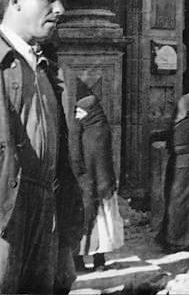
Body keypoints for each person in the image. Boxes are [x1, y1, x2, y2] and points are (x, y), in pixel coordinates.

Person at [0, 0, 83, 294]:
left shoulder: (48, 67)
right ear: (16, 0)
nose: (60, 9)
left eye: (61, 0)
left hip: (47, 211)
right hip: (7, 215)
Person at [72, 84, 124, 271]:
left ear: (91, 113)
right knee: (88, 223)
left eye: (81, 112)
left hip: (96, 188)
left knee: (97, 225)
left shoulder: (98, 132)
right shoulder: (82, 131)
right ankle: (82, 260)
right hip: (88, 187)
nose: (77, 116)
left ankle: (97, 260)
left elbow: (101, 162)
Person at [157, 93, 189, 252]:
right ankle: (185, 240)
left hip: (175, 166)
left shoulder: (176, 123)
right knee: (188, 203)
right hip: (188, 168)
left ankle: (172, 238)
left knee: (176, 203)